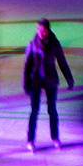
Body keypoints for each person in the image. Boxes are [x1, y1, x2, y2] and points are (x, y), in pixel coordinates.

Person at [23, 19, 75, 152]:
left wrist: (69, 78)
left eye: (43, 30)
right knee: (34, 111)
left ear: (48, 30)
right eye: (38, 30)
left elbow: (62, 61)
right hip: (35, 80)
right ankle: (30, 140)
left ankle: (55, 137)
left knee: (52, 110)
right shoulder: (32, 45)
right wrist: (25, 83)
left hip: (50, 79)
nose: (41, 33)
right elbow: (27, 65)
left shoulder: (54, 44)